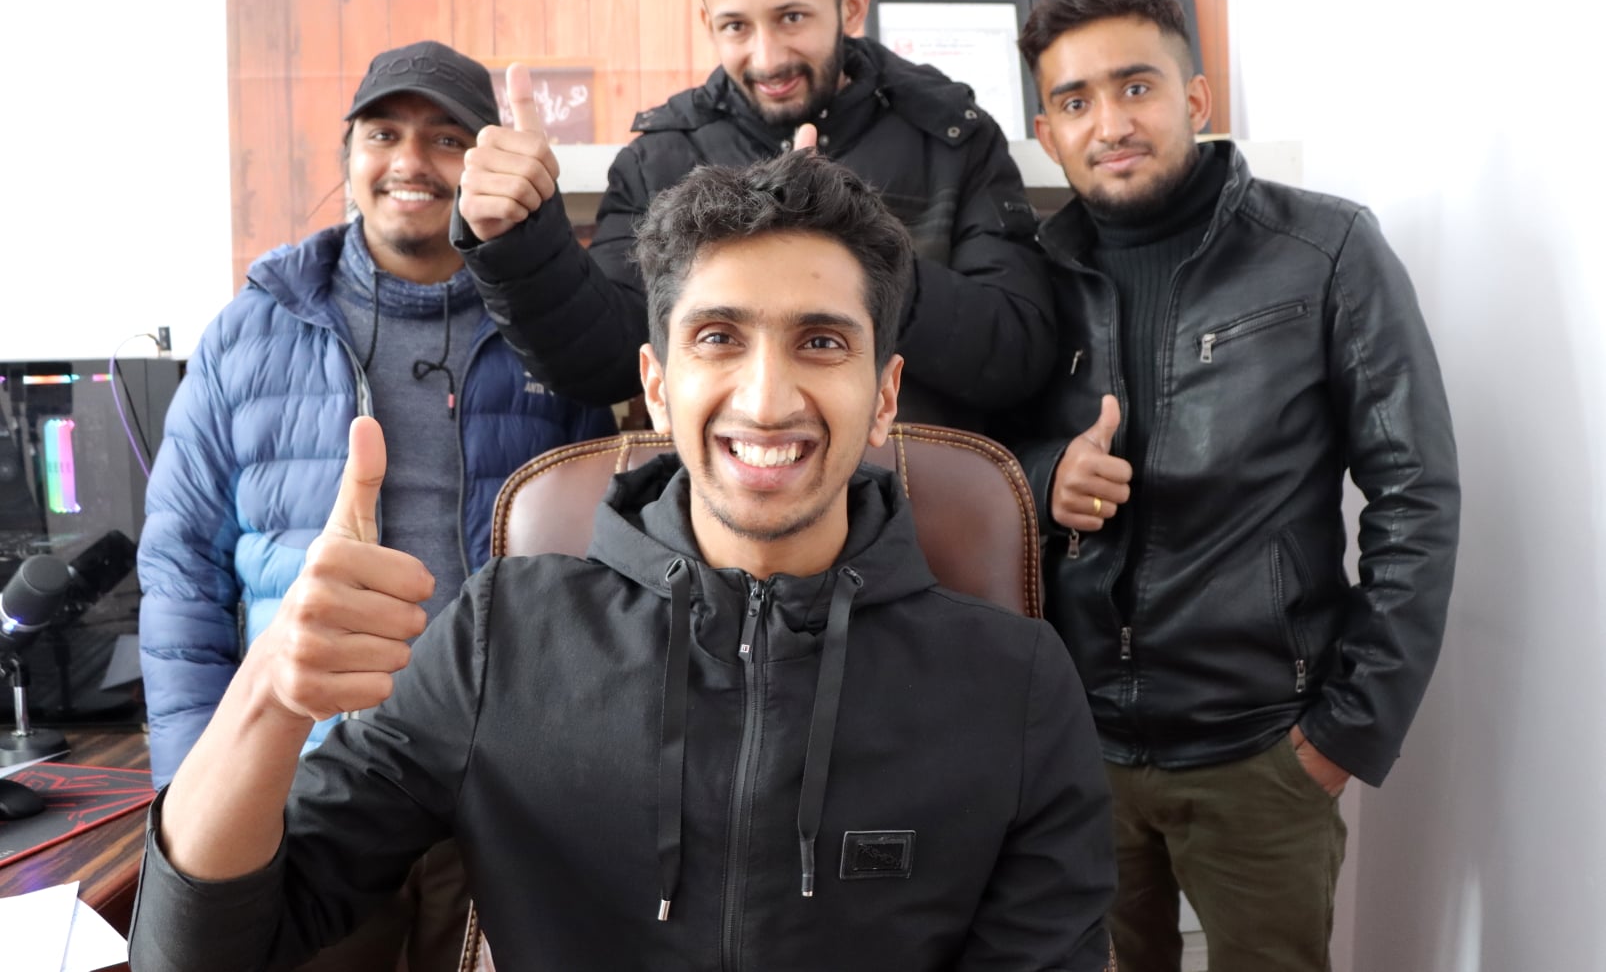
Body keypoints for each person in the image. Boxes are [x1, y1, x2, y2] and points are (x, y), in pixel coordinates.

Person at [127, 151, 1116, 971]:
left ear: (885, 394)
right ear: (656, 382)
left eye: (820, 341)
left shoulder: (1018, 687)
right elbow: (196, 951)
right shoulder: (498, 640)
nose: (766, 399)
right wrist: (269, 692)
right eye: (718, 337)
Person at [999, 0, 1460, 972]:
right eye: (1075, 101)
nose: (1109, 123)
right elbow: (974, 463)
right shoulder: (1029, 277)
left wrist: (1346, 732)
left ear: (1196, 96)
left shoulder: (1324, 247)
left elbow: (1415, 493)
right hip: (1077, 751)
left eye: (1136, 86)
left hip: (1264, 753)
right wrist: (1044, 477)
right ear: (1047, 131)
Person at [136, 40, 617, 969]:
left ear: (484, 161)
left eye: (447, 139)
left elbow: (593, 573)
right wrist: (201, 788)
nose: (411, 161)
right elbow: (180, 575)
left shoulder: (548, 334)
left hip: (499, 785)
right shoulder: (252, 330)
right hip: (308, 782)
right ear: (348, 152)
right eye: (384, 133)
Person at [451, 0, 1054, 430]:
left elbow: (1020, 356)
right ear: (707, 21)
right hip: (720, 499)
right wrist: (521, 239)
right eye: (736, 26)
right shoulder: (661, 159)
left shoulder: (953, 137)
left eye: (791, 17)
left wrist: (860, 255)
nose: (767, 59)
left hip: (925, 495)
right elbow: (606, 365)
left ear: (850, 6)